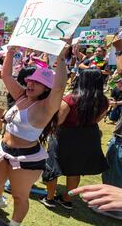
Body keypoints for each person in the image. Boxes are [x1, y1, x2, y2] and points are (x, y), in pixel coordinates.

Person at [0, 42, 69, 226]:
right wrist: (11, 53)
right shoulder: (21, 95)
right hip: (3, 149)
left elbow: (60, 88)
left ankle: (15, 223)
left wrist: (60, 58)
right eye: (31, 80)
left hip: (27, 158)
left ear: (46, 89)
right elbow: (5, 75)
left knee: (19, 196)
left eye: (38, 82)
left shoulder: (46, 107)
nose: (31, 83)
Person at [40, 69, 109, 210]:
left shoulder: (70, 99)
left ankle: (49, 198)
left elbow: (58, 121)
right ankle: (67, 199)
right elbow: (97, 119)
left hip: (64, 136)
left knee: (53, 167)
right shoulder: (104, 101)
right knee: (74, 169)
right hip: (88, 136)